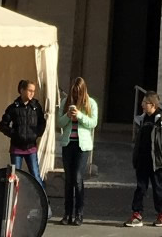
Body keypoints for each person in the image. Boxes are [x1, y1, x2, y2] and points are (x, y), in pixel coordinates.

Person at [124, 90, 162, 227]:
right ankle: (137, 214)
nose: (142, 105)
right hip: (142, 159)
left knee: (157, 188)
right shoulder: (142, 119)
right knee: (140, 187)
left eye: (144, 103)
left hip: (156, 161)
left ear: (152, 104)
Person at [0, 77, 50, 208]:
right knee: (15, 177)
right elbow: (3, 125)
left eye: (33, 91)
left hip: (31, 147)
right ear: (22, 91)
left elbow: (42, 123)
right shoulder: (13, 108)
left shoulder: (36, 107)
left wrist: (36, 134)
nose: (32, 93)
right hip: (16, 148)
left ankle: (44, 205)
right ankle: (13, 205)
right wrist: (14, 134)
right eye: (29, 90)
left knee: (36, 175)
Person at [59, 76, 99, 225]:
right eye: (74, 92)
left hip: (83, 146)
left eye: (78, 92)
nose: (76, 95)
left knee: (77, 178)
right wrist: (68, 116)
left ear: (83, 91)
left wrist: (80, 115)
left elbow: (93, 123)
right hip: (68, 144)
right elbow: (60, 123)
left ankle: (79, 213)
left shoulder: (91, 103)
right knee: (68, 179)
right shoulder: (65, 103)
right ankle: (67, 213)